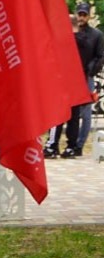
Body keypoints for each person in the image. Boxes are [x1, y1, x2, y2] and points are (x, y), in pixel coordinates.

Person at [61, 2, 104, 158]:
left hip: (86, 77)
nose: (82, 17)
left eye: (84, 14)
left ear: (89, 16)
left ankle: (79, 145)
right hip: (69, 77)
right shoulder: (68, 33)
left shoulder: (96, 35)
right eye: (79, 14)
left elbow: (100, 56)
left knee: (85, 113)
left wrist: (90, 71)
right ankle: (69, 144)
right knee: (69, 111)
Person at [43, 14, 80, 159]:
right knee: (73, 117)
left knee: (58, 115)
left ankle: (52, 145)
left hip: (64, 81)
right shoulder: (84, 39)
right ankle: (71, 146)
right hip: (76, 82)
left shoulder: (63, 40)